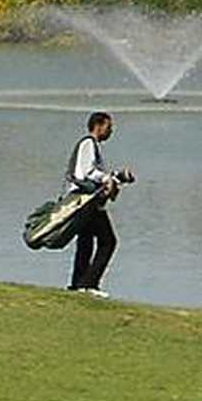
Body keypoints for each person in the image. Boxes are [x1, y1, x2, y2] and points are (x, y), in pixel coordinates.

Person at [66, 111, 127, 297]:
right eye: (109, 127)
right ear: (98, 126)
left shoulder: (93, 146)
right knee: (108, 241)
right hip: (86, 201)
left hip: (85, 200)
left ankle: (78, 284)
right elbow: (86, 172)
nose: (111, 131)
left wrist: (117, 177)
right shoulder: (88, 143)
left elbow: (92, 172)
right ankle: (90, 284)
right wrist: (108, 178)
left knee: (85, 242)